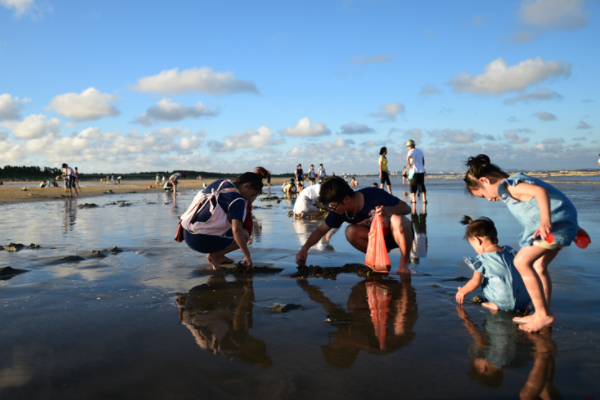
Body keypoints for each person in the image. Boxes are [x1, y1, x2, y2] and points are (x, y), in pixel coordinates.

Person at [464, 154, 579, 332]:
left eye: (483, 195)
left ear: (485, 180)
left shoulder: (511, 187)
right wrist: (572, 226)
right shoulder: (515, 185)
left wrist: (546, 221)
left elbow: (541, 192)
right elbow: (558, 203)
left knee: (521, 262)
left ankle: (542, 314)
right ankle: (542, 311)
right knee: (539, 267)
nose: (488, 199)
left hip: (552, 228)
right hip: (561, 225)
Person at [296, 176, 413, 273]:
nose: (331, 209)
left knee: (398, 220)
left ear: (346, 199)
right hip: (377, 241)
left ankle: (404, 261)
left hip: (397, 235)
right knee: (350, 231)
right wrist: (304, 249)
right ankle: (378, 261)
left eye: (332, 206)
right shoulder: (339, 211)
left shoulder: (374, 194)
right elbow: (320, 231)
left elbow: (407, 208)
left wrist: (388, 210)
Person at [180, 172, 263, 270]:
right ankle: (215, 256)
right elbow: (237, 230)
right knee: (244, 235)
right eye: (252, 194)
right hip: (200, 241)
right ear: (246, 186)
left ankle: (221, 257)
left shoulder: (221, 183)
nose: (251, 198)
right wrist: (247, 256)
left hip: (187, 233)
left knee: (224, 221)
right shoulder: (238, 200)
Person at [456, 215, 531, 312]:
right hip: (524, 300)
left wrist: (463, 291)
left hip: (501, 302)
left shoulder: (482, 260)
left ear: (476, 241)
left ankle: (494, 303)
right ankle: (523, 306)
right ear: (496, 239)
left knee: (484, 280)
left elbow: (475, 282)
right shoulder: (511, 252)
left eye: (473, 246)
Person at [405, 140, 426, 204]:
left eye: (408, 146)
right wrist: (422, 167)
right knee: (421, 185)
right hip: (421, 171)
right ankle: (424, 199)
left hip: (414, 171)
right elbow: (423, 160)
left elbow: (408, 158)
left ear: (411, 146)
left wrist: (409, 165)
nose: (407, 148)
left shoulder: (411, 151)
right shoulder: (420, 151)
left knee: (413, 185)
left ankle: (413, 200)